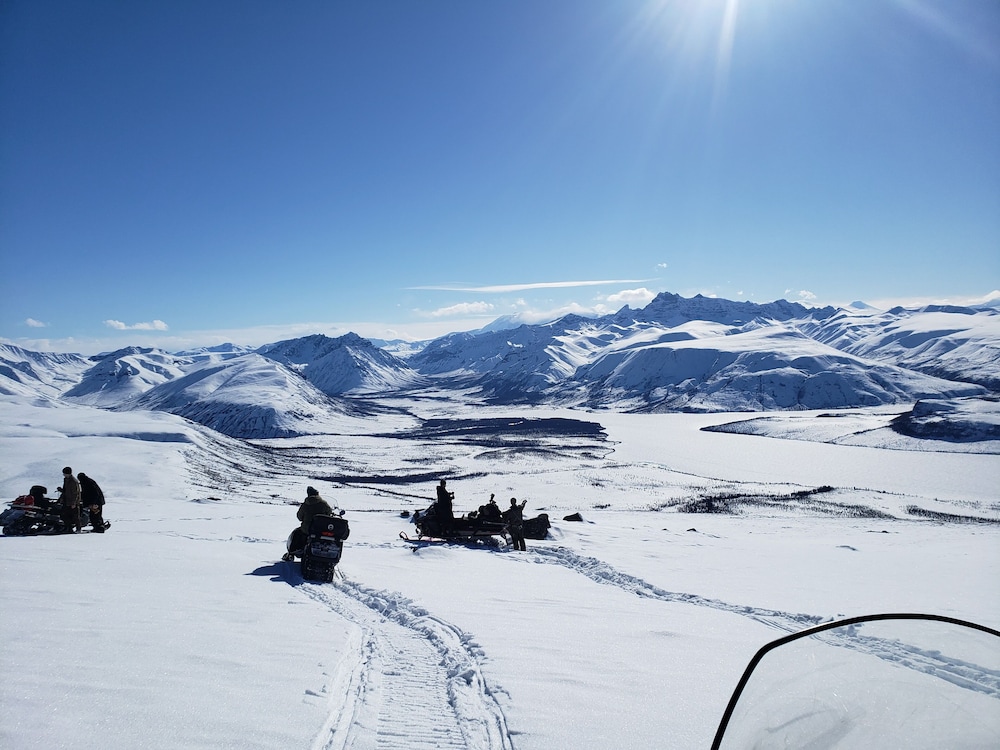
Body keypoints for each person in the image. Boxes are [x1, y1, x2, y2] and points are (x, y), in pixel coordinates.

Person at [283, 486, 333, 561]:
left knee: (297, 533)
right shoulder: (323, 503)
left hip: (307, 530)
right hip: (320, 530)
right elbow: (329, 513)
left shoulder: (305, 504)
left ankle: (292, 552)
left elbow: (299, 517)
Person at [57, 466, 82, 534]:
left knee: (75, 516)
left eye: (64, 473)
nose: (64, 475)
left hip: (73, 502)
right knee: (64, 515)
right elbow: (66, 490)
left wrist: (74, 503)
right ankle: (68, 528)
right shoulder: (66, 480)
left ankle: (78, 528)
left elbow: (76, 493)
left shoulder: (73, 481)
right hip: (66, 501)